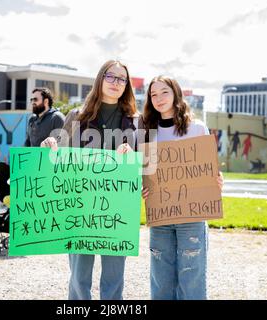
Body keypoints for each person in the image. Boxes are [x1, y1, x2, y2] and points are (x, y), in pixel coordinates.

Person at [41, 60, 144, 300]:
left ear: (126, 85)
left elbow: (145, 167)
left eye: (122, 79)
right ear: (100, 78)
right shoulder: (77, 116)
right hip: (80, 207)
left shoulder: (136, 121)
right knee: (79, 276)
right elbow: (57, 162)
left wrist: (131, 160)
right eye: (111, 76)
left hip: (118, 209)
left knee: (114, 277)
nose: (116, 83)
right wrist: (49, 147)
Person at [141, 75, 223, 300]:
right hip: (161, 214)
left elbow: (208, 170)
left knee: (192, 277)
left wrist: (215, 181)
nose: (159, 98)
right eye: (153, 94)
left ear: (176, 94)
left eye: (164, 92)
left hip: (192, 215)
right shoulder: (147, 132)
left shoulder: (197, 128)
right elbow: (143, 172)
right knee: (161, 279)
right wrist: (143, 187)